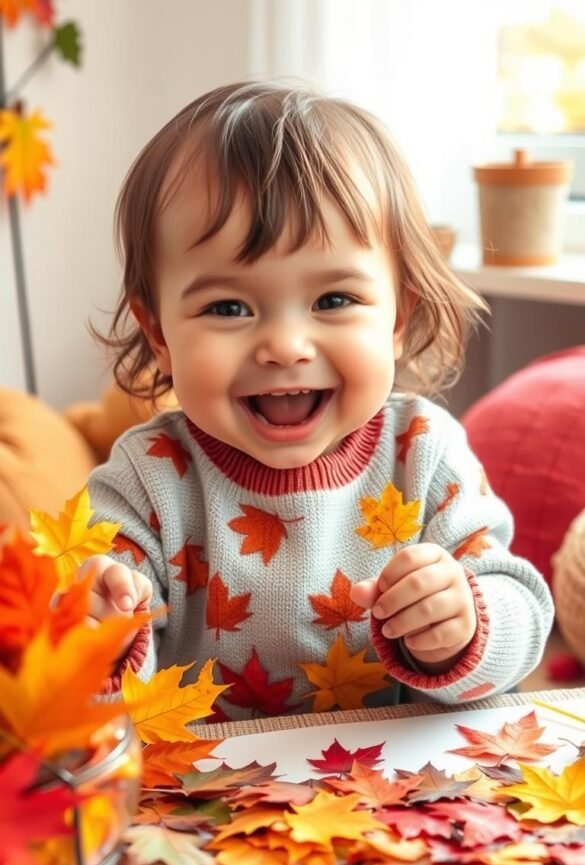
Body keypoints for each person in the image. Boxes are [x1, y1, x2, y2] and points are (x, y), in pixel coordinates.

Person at [83, 80, 553, 715]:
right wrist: (96, 634)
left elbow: (520, 615)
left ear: (396, 318)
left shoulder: (423, 454)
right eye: (228, 306)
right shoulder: (147, 479)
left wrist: (464, 627)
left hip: (396, 793)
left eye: (334, 300)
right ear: (160, 335)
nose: (284, 345)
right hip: (203, 798)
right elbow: (86, 686)